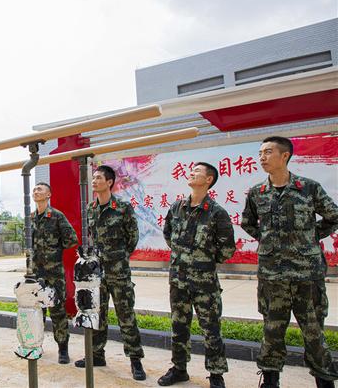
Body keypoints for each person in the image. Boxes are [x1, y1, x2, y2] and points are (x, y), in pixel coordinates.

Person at [241, 136, 338, 388]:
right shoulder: (256, 193)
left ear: (284, 156)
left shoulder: (308, 188)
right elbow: (248, 222)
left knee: (314, 332)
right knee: (272, 331)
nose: (262, 157)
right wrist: (268, 239)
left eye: (268, 152)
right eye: (260, 152)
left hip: (307, 275)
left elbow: (333, 216)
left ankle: (325, 381)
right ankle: (270, 380)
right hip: (272, 276)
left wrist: (309, 236)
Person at [158, 162, 235, 388]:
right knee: (179, 326)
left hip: (205, 283)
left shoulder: (217, 212)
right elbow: (168, 233)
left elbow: (227, 248)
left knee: (211, 329)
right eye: (191, 171)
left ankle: (216, 374)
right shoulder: (177, 207)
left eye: (197, 171)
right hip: (178, 280)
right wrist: (183, 256)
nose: (192, 173)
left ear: (208, 179)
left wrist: (204, 261)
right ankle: (179, 369)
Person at [74, 165, 146, 381]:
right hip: (97, 274)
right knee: (98, 314)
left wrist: (119, 257)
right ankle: (97, 355)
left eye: (98, 178)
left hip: (119, 273)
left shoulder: (122, 207)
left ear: (110, 182)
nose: (94, 181)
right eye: (93, 178)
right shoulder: (90, 209)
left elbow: (132, 237)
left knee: (126, 317)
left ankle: (135, 360)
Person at [31, 182, 78, 364]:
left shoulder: (56, 216)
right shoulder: (31, 217)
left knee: (58, 312)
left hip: (54, 274)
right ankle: (36, 345)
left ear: (49, 194)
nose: (36, 191)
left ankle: (63, 349)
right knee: (37, 312)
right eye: (34, 189)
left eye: (40, 189)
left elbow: (72, 239)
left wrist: (54, 252)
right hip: (36, 274)